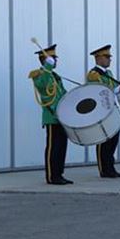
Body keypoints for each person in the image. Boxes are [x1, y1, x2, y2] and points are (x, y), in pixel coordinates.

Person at [29, 44, 71, 185]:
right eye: (53, 58)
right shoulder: (40, 75)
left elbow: (62, 93)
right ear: (45, 60)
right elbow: (43, 87)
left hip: (62, 116)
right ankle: (51, 176)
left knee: (62, 147)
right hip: (51, 116)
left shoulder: (55, 76)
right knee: (53, 147)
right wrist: (46, 67)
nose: (56, 60)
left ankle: (59, 174)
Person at [87, 44, 120, 178]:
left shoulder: (108, 73)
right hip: (101, 113)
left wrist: (117, 90)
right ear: (98, 58)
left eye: (109, 57)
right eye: (106, 57)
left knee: (113, 141)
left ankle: (111, 168)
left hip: (112, 111)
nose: (110, 59)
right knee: (103, 141)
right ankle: (104, 169)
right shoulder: (93, 75)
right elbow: (95, 93)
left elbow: (112, 89)